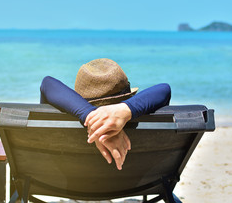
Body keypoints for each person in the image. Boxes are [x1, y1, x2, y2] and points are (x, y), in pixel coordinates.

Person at [40, 58, 171, 170]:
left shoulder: (69, 110)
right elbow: (164, 89)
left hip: (66, 183)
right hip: (138, 184)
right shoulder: (140, 111)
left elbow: (47, 83)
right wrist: (126, 109)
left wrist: (88, 114)